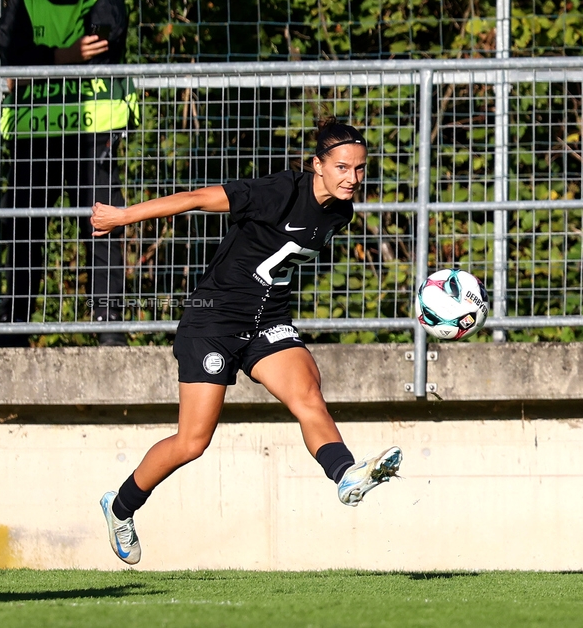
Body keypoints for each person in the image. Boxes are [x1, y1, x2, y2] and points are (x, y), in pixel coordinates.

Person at [91, 117, 402, 565]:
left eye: (359, 169)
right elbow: (198, 199)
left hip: (268, 320)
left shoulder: (340, 212)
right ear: (317, 165)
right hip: (213, 321)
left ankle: (346, 476)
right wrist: (124, 215)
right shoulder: (279, 192)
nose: (352, 178)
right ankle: (120, 508)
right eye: (341, 168)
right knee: (192, 441)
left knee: (308, 393)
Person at [0, 0, 138, 347]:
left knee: (102, 226)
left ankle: (108, 324)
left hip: (91, 134)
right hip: (35, 135)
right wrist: (64, 56)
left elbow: (101, 48)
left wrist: (41, 57)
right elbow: (10, 50)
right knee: (23, 229)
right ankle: (14, 326)